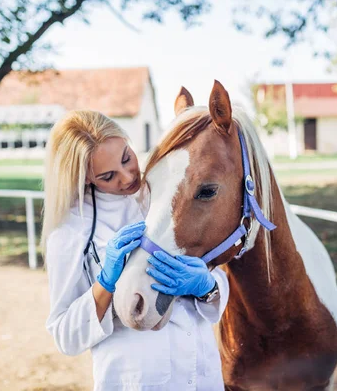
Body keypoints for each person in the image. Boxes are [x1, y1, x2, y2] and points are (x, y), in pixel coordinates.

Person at [42, 110, 229, 390]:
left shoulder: (167, 193)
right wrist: (105, 286)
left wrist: (207, 286)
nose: (128, 176)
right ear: (85, 179)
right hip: (137, 381)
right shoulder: (71, 230)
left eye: (127, 157)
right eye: (108, 176)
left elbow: (215, 288)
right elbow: (65, 336)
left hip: (202, 375)